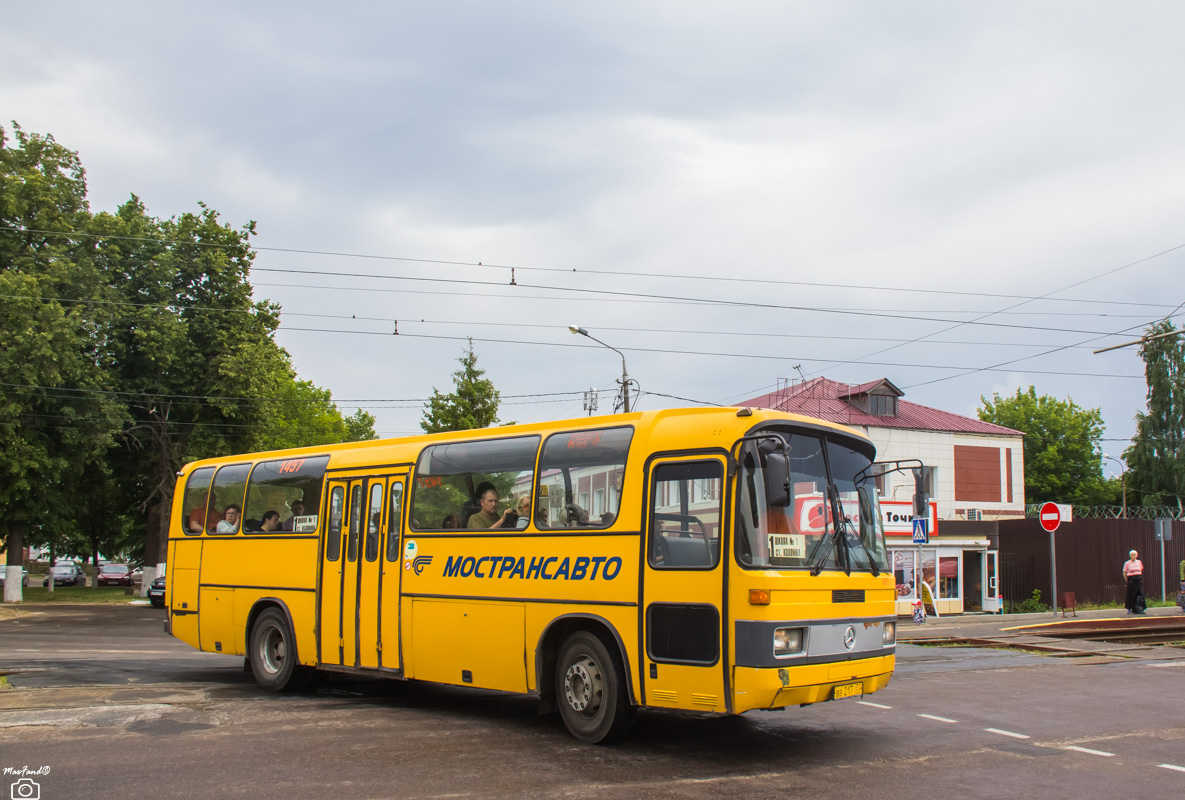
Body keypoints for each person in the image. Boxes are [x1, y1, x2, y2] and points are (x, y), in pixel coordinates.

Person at [1123, 549, 1145, 614]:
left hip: (1138, 579)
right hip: (1131, 580)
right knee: (1131, 594)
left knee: (1140, 593)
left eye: (1134, 555)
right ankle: (1129, 609)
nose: (1133, 556)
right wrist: (1127, 580)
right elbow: (1124, 573)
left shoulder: (1139, 562)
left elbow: (1140, 570)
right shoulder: (1127, 563)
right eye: (1132, 555)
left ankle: (1140, 608)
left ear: (1137, 555)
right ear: (1130, 555)